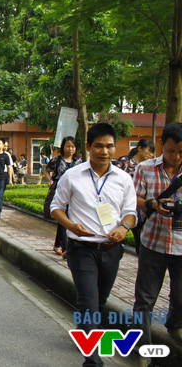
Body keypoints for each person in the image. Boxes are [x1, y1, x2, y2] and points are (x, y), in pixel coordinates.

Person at [50, 123, 137, 367]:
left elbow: (130, 212)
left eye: (109, 146)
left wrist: (124, 228)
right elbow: (56, 207)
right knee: (88, 300)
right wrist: (71, 226)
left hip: (111, 249)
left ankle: (85, 331)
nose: (105, 151)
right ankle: (93, 361)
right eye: (99, 146)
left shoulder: (123, 179)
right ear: (88, 147)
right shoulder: (72, 175)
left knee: (99, 301)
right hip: (81, 248)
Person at [131, 123, 182, 360]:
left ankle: (174, 324)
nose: (177, 156)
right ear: (163, 145)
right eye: (172, 151)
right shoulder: (145, 168)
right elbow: (133, 200)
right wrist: (152, 204)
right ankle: (143, 351)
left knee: (180, 297)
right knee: (145, 299)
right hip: (153, 242)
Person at [115, 138, 155, 254]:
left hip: (139, 208)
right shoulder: (125, 162)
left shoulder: (148, 167)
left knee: (140, 240)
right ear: (140, 148)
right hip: (123, 206)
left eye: (152, 152)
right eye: (149, 150)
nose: (150, 154)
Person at [45, 136, 81, 258]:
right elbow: (46, 170)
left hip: (74, 194)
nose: (70, 149)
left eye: (72, 146)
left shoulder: (79, 162)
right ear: (63, 147)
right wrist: (49, 180)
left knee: (66, 219)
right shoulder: (56, 160)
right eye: (68, 146)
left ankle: (57, 245)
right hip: (59, 193)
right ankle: (66, 248)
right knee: (63, 218)